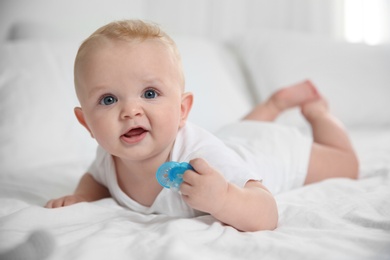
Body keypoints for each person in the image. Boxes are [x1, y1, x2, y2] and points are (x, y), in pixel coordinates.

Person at [45, 20, 359, 232]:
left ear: (183, 110)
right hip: (234, 138)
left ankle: (318, 114)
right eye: (109, 99)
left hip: (271, 150)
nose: (130, 111)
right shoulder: (108, 153)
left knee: (346, 163)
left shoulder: (203, 155)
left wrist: (222, 198)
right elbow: (96, 177)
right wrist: (81, 197)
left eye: (150, 93)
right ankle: (273, 105)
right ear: (86, 122)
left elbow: (266, 213)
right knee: (238, 133)